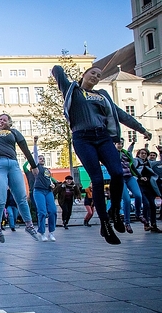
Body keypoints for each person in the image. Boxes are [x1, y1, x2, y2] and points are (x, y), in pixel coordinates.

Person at [52, 65, 152, 245]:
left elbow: (120, 114)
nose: (96, 77)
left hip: (104, 137)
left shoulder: (102, 95)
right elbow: (57, 70)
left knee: (118, 173)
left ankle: (114, 210)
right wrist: (65, 73)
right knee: (97, 180)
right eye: (92, 73)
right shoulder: (72, 91)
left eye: (99, 76)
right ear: (84, 75)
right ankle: (105, 224)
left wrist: (141, 129)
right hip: (82, 138)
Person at [0, 114, 40, 243]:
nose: (1, 121)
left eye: (5, 120)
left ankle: (29, 226)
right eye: (0, 120)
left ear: (10, 123)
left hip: (13, 165)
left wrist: (33, 165)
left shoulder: (13, 132)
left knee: (21, 197)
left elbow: (25, 149)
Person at [116, 139, 146, 233]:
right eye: (118, 144)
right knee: (127, 200)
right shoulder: (113, 153)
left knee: (138, 195)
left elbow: (132, 166)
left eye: (122, 144)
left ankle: (138, 214)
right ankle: (127, 223)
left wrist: (140, 176)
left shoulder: (126, 153)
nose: (120, 145)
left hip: (129, 177)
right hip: (120, 179)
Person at [31, 137, 58, 242]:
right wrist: (35, 143)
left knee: (53, 211)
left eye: (43, 158)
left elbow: (48, 179)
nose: (42, 159)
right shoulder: (37, 167)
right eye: (40, 158)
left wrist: (52, 185)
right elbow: (35, 155)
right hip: (38, 191)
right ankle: (41, 232)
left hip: (48, 191)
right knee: (42, 212)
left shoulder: (47, 170)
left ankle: (51, 232)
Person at [134, 148, 161, 232]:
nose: (143, 155)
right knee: (146, 203)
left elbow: (160, 162)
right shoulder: (136, 161)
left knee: (152, 205)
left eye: (145, 153)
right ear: (138, 154)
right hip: (140, 185)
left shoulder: (149, 163)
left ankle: (153, 225)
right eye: (142, 153)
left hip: (149, 186)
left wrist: (160, 152)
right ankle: (146, 224)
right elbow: (132, 170)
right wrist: (140, 177)